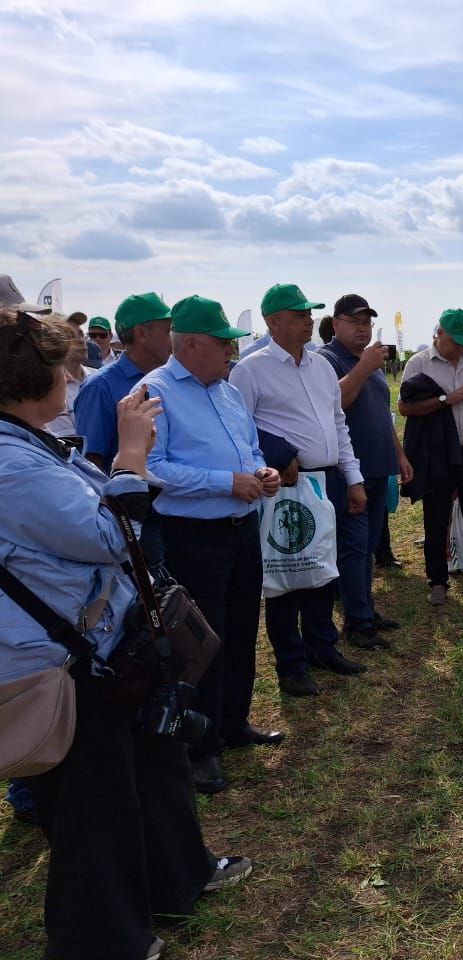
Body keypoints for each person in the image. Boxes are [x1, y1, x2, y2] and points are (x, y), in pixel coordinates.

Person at [0, 307, 251, 960]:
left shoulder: (26, 441)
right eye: (64, 366)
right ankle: (103, 940)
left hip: (106, 648)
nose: (77, 373)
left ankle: (179, 878)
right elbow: (113, 536)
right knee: (93, 807)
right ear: (31, 378)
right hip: (60, 662)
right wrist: (133, 452)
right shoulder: (9, 464)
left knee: (155, 766)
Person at [142, 295, 284, 795]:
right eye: (224, 343)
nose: (231, 351)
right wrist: (224, 482)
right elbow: (150, 468)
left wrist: (261, 471)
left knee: (244, 628)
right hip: (193, 537)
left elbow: (250, 448)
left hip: (241, 530)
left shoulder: (225, 391)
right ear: (193, 344)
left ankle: (233, 723)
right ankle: (200, 748)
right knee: (203, 643)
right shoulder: (154, 392)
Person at [229, 283, 368, 696]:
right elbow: (239, 430)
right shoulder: (250, 370)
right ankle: (291, 664)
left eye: (310, 314)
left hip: (326, 479)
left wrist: (354, 477)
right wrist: (271, 458)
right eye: (298, 314)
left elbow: (337, 423)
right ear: (273, 322)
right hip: (284, 485)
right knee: (286, 572)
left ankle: (323, 647)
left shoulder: (321, 366)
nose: (309, 321)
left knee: (323, 567)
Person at [318, 293, 411, 647]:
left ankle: (366, 608)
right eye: (355, 322)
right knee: (353, 548)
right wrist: (362, 368)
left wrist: (398, 454)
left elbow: (383, 416)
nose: (362, 329)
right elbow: (335, 403)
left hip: (377, 466)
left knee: (369, 545)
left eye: (367, 323)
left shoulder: (366, 362)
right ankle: (357, 623)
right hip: (348, 471)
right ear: (336, 323)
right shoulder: (326, 359)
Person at [399, 308, 463, 604]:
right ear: (439, 334)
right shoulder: (419, 364)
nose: (460, 348)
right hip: (437, 453)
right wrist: (448, 399)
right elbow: (405, 408)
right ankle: (438, 582)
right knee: (436, 517)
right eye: (455, 341)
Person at [74, 293, 173, 471]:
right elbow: (91, 462)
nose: (172, 339)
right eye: (167, 331)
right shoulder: (99, 387)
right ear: (142, 333)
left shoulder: (169, 381)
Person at [44, 315, 92, 438]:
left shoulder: (98, 377)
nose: (81, 340)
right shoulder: (50, 389)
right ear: (54, 344)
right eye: (71, 336)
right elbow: (69, 444)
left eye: (81, 334)